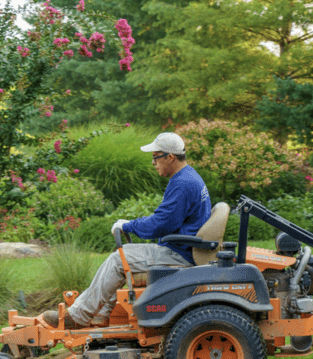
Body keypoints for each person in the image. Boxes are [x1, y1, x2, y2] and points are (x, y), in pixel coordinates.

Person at [42, 132, 211, 329]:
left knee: (118, 260)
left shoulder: (182, 183)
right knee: (121, 255)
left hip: (180, 254)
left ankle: (77, 318)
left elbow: (161, 224)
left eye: (155, 157)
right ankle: (102, 314)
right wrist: (132, 224)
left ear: (170, 157)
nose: (153, 163)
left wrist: (127, 225)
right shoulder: (188, 176)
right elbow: (166, 221)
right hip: (184, 247)